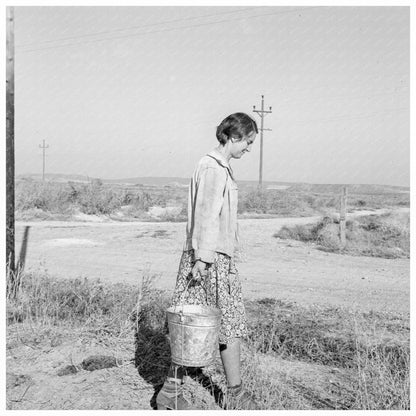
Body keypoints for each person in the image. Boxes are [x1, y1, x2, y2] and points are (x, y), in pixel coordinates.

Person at [156, 113, 259, 410]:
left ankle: (170, 392)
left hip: (210, 256)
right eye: (248, 142)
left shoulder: (215, 166)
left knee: (194, 329)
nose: (248, 149)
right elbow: (206, 216)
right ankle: (235, 395)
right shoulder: (213, 168)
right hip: (209, 260)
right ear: (233, 136)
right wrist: (202, 261)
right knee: (221, 327)